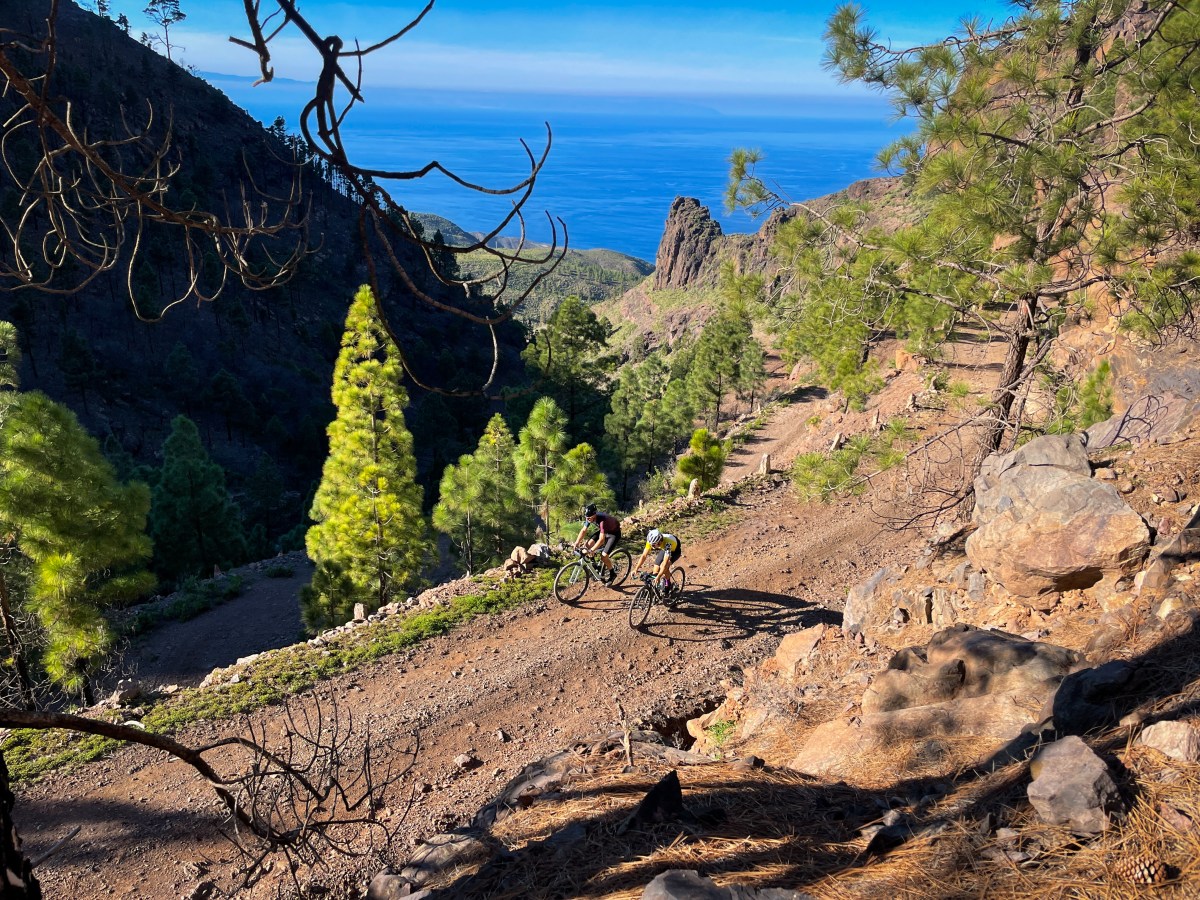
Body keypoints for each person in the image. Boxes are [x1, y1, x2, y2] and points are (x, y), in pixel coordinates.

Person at [572, 503, 622, 583]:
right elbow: (584, 530)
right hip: (604, 531)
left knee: (604, 556)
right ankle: (595, 566)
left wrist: (592, 550)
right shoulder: (589, 517)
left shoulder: (602, 521)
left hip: (614, 534)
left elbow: (601, 540)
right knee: (587, 546)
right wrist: (577, 542)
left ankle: (612, 574)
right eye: (586, 518)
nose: (588, 519)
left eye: (589, 518)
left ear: (594, 515)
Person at [633, 527, 682, 596]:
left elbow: (664, 563)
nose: (652, 547)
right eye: (651, 545)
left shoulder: (667, 543)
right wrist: (636, 568)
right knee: (655, 570)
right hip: (664, 549)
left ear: (659, 542)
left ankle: (668, 584)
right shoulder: (651, 541)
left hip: (675, 551)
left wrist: (659, 576)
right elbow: (644, 555)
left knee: (664, 566)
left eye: (653, 545)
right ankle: (655, 589)